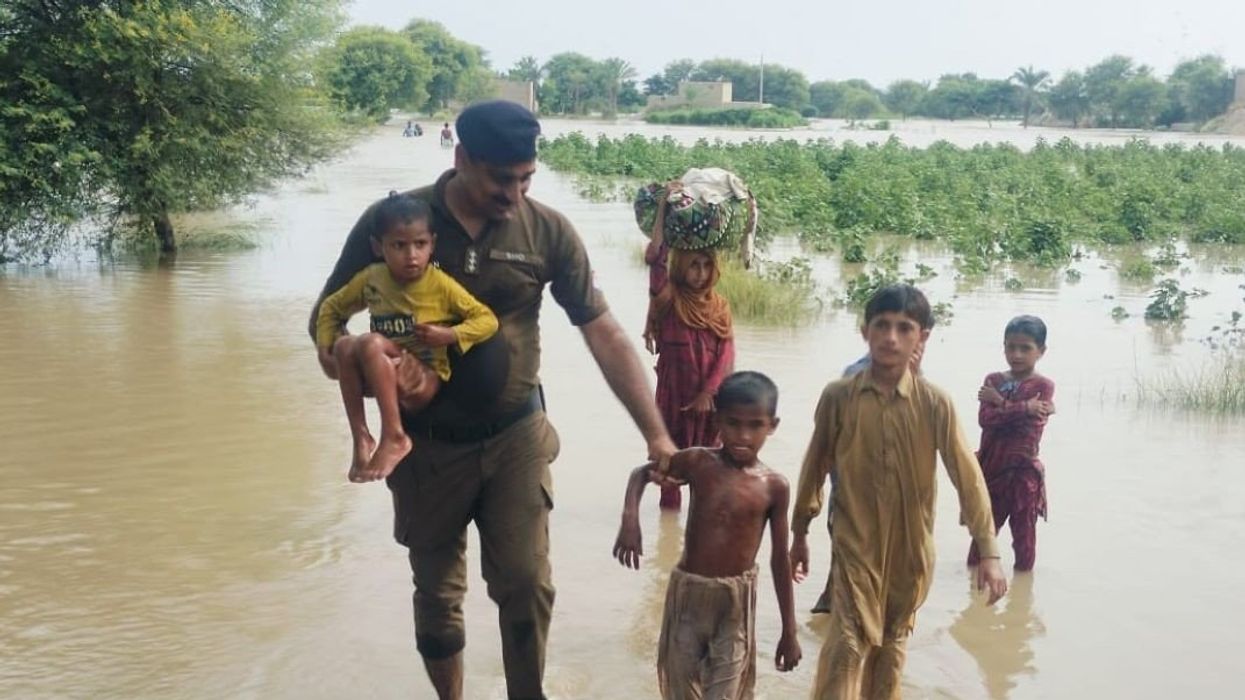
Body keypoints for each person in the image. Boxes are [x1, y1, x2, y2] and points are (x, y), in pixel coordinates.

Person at [309, 100, 675, 700]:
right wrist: (354, 359)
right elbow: (328, 324)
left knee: (527, 583)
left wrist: (655, 434)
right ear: (461, 160)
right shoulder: (398, 223)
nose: (514, 192)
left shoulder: (547, 230)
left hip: (515, 434)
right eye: (501, 179)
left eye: (526, 178)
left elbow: (603, 330)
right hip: (425, 445)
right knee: (436, 593)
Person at [788, 284, 1008, 700]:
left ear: (921, 338)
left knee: (890, 653)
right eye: (882, 326)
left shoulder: (934, 403)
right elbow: (814, 465)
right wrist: (800, 531)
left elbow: (968, 476)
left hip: (911, 553)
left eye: (904, 328)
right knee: (847, 647)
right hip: (855, 544)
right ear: (865, 331)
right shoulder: (839, 396)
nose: (891, 338)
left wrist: (990, 552)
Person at [614, 371, 801, 699]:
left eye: (755, 425)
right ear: (717, 419)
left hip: (735, 602)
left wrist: (789, 630)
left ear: (772, 425)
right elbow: (643, 473)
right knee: (680, 687)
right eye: (732, 423)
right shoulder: (700, 462)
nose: (743, 435)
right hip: (689, 594)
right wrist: (630, 519)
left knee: (725, 692)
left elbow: (778, 560)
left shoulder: (774, 486)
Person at [315, 193, 498, 483]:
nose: (411, 255)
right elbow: (331, 308)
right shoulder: (372, 279)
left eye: (420, 245)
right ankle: (361, 436)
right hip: (383, 371)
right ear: (379, 247)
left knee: (370, 343)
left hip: (425, 376)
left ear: (432, 245)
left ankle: (394, 435)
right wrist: (325, 345)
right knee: (345, 345)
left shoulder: (439, 285)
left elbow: (487, 320)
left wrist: (449, 334)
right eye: (399, 246)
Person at [643, 248, 735, 510]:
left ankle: (699, 531)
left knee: (707, 470)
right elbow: (656, 268)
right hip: (674, 398)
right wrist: (663, 213)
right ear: (681, 266)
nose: (701, 273)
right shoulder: (669, 301)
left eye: (707, 265)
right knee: (670, 467)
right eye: (694, 265)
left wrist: (709, 391)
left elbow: (727, 353)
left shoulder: (719, 307)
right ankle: (669, 534)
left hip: (709, 403)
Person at [967, 315, 1055, 572]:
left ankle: (1023, 587)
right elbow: (986, 420)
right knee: (982, 539)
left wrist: (1002, 403)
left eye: (1025, 348)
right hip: (991, 470)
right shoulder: (993, 380)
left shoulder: (1043, 385)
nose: (1016, 354)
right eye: (1010, 347)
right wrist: (1024, 407)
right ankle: (975, 593)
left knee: (1024, 539)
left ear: (1041, 351)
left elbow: (1031, 426)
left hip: (1023, 472)